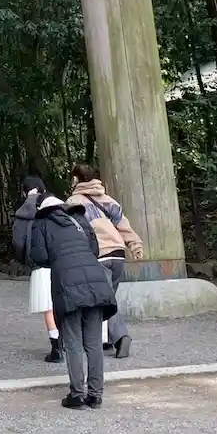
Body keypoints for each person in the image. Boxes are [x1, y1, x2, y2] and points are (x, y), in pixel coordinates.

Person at [13, 184, 116, 410]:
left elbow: (39, 256)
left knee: (73, 342)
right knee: (93, 342)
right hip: (95, 281)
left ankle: (77, 395)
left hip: (68, 283)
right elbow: (94, 248)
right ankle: (95, 395)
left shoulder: (42, 222)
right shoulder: (78, 217)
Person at [67, 162, 144, 360]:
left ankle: (121, 336)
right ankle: (108, 339)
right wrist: (135, 245)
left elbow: (74, 232)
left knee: (103, 300)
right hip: (118, 254)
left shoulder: (73, 203)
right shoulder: (109, 201)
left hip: (98, 255)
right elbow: (123, 225)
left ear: (75, 179)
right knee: (108, 297)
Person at [15, 175, 63, 361]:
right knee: (65, 302)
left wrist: (26, 259)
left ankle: (56, 347)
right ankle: (71, 341)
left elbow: (18, 242)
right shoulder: (58, 205)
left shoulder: (23, 211)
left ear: (25, 192)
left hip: (40, 263)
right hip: (63, 260)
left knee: (48, 307)